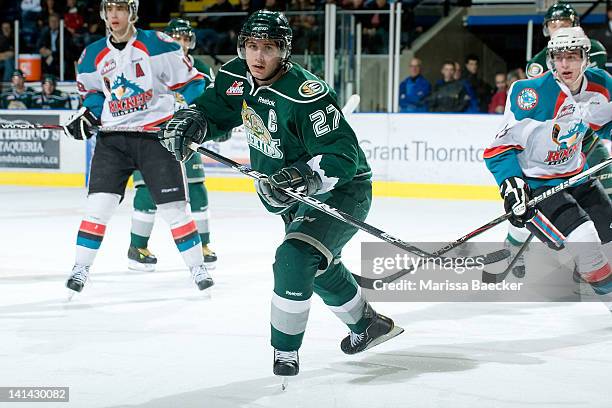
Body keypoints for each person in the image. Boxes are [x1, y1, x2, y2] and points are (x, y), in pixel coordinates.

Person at [159, 10, 403, 378]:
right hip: (291, 194)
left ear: (284, 51)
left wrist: (304, 176)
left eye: (269, 48)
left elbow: (343, 157)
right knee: (317, 265)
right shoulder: (235, 76)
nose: (258, 57)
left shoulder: (308, 95)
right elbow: (217, 110)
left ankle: (284, 355)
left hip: (339, 190)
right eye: (252, 47)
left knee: (294, 257)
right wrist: (195, 121)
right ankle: (368, 325)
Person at [62, 0, 213, 295]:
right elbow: (93, 96)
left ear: (132, 12)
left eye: (120, 8)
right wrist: (89, 117)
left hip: (155, 138)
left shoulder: (160, 45)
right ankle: (80, 268)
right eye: (109, 9)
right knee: (97, 208)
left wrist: (198, 116)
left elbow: (192, 84)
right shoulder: (91, 55)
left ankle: (198, 267)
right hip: (113, 140)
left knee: (175, 210)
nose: (114, 15)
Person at [484, 27, 612, 297]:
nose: (565, 64)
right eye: (558, 56)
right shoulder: (531, 94)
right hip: (537, 183)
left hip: (577, 176)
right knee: (585, 239)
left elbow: (604, 123)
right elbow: (498, 149)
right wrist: (512, 185)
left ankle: (595, 279)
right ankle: (514, 245)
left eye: (573, 56)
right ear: (551, 59)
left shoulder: (601, 85)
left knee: (608, 234)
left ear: (586, 58)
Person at [507, 3, 612, 275]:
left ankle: (594, 258)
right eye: (553, 24)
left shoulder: (595, 50)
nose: (558, 27)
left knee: (603, 201)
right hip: (549, 149)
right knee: (526, 206)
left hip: (585, 139)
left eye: (564, 22)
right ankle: (513, 247)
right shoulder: (537, 66)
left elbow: (594, 100)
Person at [127, 18, 218, 271]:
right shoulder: (149, 62)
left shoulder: (199, 66)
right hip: (151, 139)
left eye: (186, 38)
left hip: (186, 139)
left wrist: (216, 123)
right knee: (147, 191)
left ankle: (203, 244)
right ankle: (137, 247)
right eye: (177, 38)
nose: (183, 43)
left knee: (197, 190)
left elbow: (208, 101)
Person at [526, 3, 607, 78]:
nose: (559, 30)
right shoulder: (538, 63)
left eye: (564, 25)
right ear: (547, 29)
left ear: (575, 26)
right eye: (554, 26)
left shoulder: (595, 50)